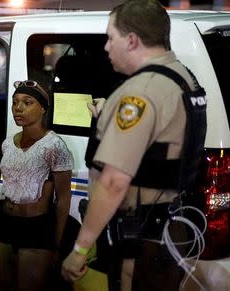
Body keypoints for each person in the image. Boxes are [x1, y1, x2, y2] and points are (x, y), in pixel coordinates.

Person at [61, 1, 207, 291]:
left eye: (110, 37)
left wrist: (80, 250)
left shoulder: (139, 92)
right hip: (171, 229)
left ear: (131, 40)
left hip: (140, 241)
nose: (105, 47)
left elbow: (114, 180)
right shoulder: (184, 78)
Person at [0, 79, 74, 291]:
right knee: (4, 285)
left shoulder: (54, 146)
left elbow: (64, 198)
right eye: (15, 102)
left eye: (27, 102)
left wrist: (56, 243)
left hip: (37, 228)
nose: (18, 108)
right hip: (6, 223)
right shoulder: (8, 143)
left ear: (42, 108)